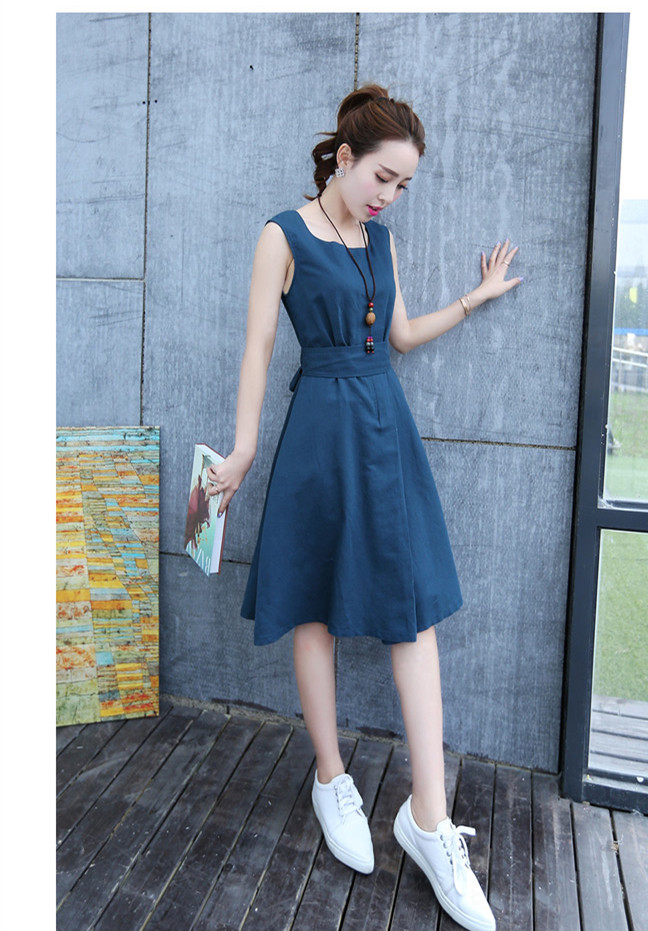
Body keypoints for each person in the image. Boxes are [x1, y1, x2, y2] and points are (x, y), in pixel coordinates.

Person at [206, 83, 521, 931]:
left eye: (403, 184)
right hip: (319, 431)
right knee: (312, 604)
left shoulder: (381, 240)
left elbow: (401, 336)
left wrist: (477, 297)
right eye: (383, 176)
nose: (389, 195)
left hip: (386, 428)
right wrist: (242, 448)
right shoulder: (282, 235)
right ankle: (330, 776)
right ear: (344, 159)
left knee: (412, 612)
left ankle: (429, 819)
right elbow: (258, 347)